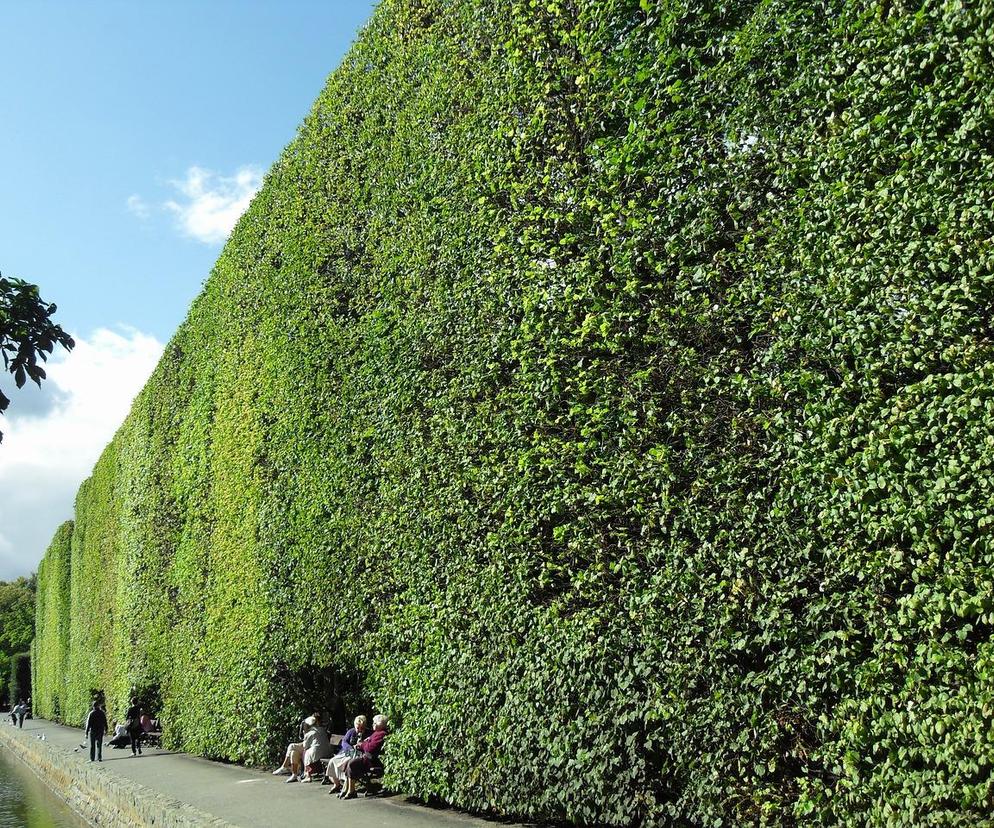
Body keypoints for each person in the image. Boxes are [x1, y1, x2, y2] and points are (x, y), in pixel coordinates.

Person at [337, 714, 388, 800]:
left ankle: (351, 790)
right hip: (367, 757)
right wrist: (364, 743)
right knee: (350, 763)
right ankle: (349, 790)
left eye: (375, 723)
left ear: (381, 725)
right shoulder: (376, 733)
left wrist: (362, 744)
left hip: (372, 760)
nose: (373, 724)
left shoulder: (381, 734)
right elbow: (367, 744)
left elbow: (370, 748)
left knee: (352, 763)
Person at [322, 715, 367, 791]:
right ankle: (336, 784)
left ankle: (346, 784)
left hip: (359, 754)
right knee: (332, 761)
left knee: (347, 762)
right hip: (348, 752)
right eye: (358, 728)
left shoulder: (368, 733)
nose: (359, 730)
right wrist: (350, 749)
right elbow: (344, 742)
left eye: (362, 728)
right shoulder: (351, 732)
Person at [273, 714, 321, 782]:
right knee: (293, 752)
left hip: (313, 750)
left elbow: (306, 746)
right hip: (311, 747)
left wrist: (306, 733)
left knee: (291, 746)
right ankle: (294, 775)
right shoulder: (315, 729)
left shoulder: (316, 730)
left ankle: (285, 766)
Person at [299, 713, 333, 782]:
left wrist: (305, 734)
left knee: (305, 753)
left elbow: (305, 746)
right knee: (309, 751)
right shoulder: (322, 730)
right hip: (328, 752)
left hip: (317, 754)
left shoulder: (310, 733)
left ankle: (308, 775)